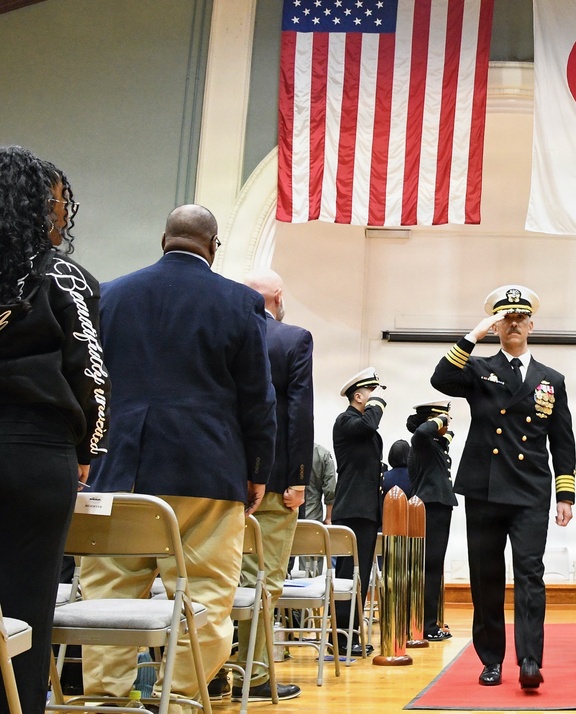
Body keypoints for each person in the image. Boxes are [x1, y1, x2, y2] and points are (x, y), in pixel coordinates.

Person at [81, 204, 276, 709]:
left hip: (118, 467)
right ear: (214, 246)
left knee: (108, 593)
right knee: (205, 597)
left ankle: (107, 702)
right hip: (205, 471)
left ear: (162, 239)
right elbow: (258, 397)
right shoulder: (239, 303)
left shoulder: (110, 295)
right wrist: (258, 471)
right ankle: (180, 698)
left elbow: (89, 387)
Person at [0, 146, 108, 714]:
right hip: (35, 449)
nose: (64, 214)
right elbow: (90, 368)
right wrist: (89, 445)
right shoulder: (62, 277)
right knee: (26, 602)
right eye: (58, 202)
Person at [430, 284, 575, 689]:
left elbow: (563, 440)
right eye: (505, 318)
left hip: (530, 491)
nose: (513, 323)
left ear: (532, 324)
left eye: (520, 317)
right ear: (497, 327)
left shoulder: (552, 379)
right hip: (484, 490)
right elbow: (441, 378)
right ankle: (491, 658)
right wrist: (473, 334)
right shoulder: (478, 369)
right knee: (487, 577)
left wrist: (565, 495)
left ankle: (530, 659)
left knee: (531, 575)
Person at [208, 268, 312, 701]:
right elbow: (298, 412)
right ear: (279, 297)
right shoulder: (292, 338)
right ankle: (252, 677)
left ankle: (212, 672)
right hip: (270, 481)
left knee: (216, 581)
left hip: (220, 479)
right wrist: (298, 480)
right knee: (263, 581)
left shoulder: (219, 334)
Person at [330, 367, 386, 657]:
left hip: (364, 511)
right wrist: (376, 406)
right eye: (373, 394)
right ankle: (339, 637)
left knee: (360, 576)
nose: (377, 401)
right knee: (347, 577)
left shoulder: (359, 424)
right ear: (359, 395)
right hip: (352, 509)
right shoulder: (346, 421)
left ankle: (350, 635)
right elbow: (368, 426)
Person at [406, 400, 458, 642]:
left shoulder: (433, 444)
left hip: (437, 506)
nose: (448, 424)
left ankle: (429, 620)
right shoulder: (422, 441)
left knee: (433, 568)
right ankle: (426, 625)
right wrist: (440, 421)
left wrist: (444, 432)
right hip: (432, 506)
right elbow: (420, 433)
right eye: (444, 419)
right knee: (431, 567)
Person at [303, 442, 336, 524]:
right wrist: (329, 517)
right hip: (313, 519)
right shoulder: (323, 454)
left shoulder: (282, 450)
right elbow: (330, 489)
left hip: (285, 519)